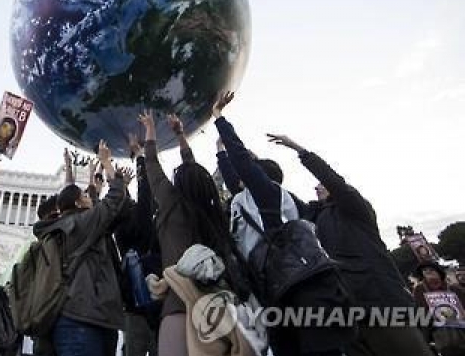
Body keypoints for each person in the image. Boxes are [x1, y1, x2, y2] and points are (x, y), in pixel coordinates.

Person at [212, 92, 355, 356]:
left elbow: (241, 162)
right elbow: (235, 175)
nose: (239, 178)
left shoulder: (267, 193)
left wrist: (219, 117)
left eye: (251, 173)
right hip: (275, 290)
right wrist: (220, 152)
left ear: (260, 176)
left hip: (299, 287)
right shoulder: (249, 199)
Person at [267, 133, 433, 356]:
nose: (317, 188)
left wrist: (300, 150)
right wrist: (255, 168)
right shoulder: (315, 217)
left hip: (382, 305)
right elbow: (274, 194)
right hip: (347, 312)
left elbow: (334, 180)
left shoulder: (357, 210)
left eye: (321, 185)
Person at [138, 110, 244, 355]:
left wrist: (151, 129)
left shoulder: (172, 206)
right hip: (219, 309)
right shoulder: (213, 215)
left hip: (179, 305)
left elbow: (151, 165)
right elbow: (193, 173)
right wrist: (180, 135)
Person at [33, 140, 127, 356]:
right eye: (85, 196)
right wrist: (106, 161)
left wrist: (70, 168)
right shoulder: (81, 223)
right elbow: (115, 197)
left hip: (72, 315)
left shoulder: (60, 227)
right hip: (84, 318)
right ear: (77, 204)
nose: (89, 198)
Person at [113, 133, 160, 356]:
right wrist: (139, 155)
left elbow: (124, 205)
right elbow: (146, 191)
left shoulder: (119, 232)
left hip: (132, 306)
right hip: (156, 302)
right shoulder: (144, 226)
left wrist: (121, 187)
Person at [413, 262, 465, 356]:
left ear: (438, 272)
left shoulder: (453, 288)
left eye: (431, 270)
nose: (428, 272)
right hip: (440, 333)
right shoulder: (419, 290)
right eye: (425, 271)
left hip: (461, 328)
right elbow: (420, 312)